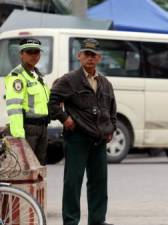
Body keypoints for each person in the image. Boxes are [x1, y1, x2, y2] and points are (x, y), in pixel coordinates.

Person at [49, 38, 116, 225]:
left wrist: (111, 128)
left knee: (99, 183)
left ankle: (98, 221)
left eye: (94, 55)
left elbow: (112, 109)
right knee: (73, 183)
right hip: (77, 138)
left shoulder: (105, 83)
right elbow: (52, 102)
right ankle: (71, 222)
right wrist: (65, 118)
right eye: (87, 54)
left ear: (99, 58)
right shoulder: (69, 80)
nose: (90, 58)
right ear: (79, 56)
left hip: (99, 140)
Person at [5, 38, 50, 165]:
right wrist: (19, 136)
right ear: (21, 54)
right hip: (28, 130)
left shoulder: (38, 75)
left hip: (42, 128)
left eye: (36, 52)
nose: (34, 56)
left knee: (40, 169)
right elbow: (14, 107)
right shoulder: (17, 77)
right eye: (29, 52)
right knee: (27, 168)